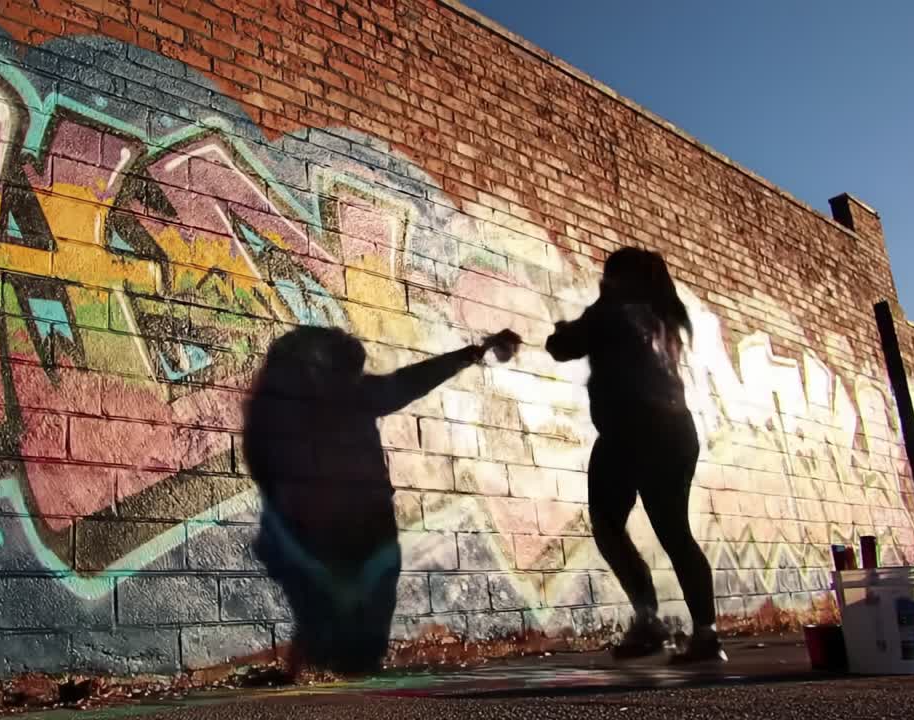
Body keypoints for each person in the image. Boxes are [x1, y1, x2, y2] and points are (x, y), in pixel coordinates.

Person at [244, 326, 522, 674]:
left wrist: (473, 353)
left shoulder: (313, 401)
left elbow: (411, 381)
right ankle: (321, 666)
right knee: (340, 611)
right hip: (340, 526)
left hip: (348, 524)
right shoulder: (331, 400)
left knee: (340, 614)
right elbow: (408, 382)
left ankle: (315, 667)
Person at [546, 247, 725, 664]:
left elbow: (561, 346)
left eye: (610, 274)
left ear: (621, 279)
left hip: (631, 432)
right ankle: (705, 634)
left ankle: (649, 621)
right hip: (675, 431)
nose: (604, 280)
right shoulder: (664, 320)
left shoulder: (611, 312)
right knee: (675, 533)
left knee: (609, 526)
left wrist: (564, 327)